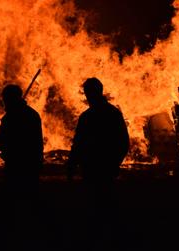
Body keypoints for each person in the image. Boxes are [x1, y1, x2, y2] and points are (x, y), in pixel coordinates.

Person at [67, 77, 129, 249]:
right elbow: (123, 142)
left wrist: (72, 165)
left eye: (88, 92)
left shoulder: (88, 117)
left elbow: (78, 144)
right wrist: (115, 162)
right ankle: (110, 239)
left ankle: (99, 240)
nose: (87, 96)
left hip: (93, 169)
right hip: (103, 168)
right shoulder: (113, 113)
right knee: (106, 205)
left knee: (96, 206)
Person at [0, 84, 43, 249]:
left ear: (9, 99)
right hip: (32, 164)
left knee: (11, 204)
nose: (4, 102)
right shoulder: (32, 115)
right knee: (32, 201)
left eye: (5, 99)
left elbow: (1, 143)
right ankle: (35, 236)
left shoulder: (11, 118)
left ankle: (12, 238)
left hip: (17, 166)